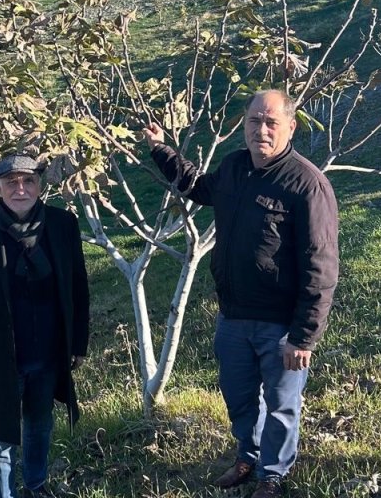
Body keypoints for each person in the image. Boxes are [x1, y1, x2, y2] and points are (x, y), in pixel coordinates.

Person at [143, 89, 339, 498]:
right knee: (239, 397)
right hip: (233, 317)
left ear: (290, 127)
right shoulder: (235, 167)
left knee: (282, 404)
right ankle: (248, 456)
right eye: (254, 121)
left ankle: (272, 475)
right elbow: (198, 187)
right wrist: (160, 149)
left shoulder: (307, 184)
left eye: (271, 122)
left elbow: (321, 267)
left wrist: (304, 336)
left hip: (280, 323)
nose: (260, 130)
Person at [0, 154, 90, 498]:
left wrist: (78, 343)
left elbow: (78, 286)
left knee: (40, 424)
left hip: (47, 352)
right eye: (11, 182)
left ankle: (36, 485)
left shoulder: (63, 225)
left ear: (40, 185)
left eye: (28, 181)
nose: (20, 189)